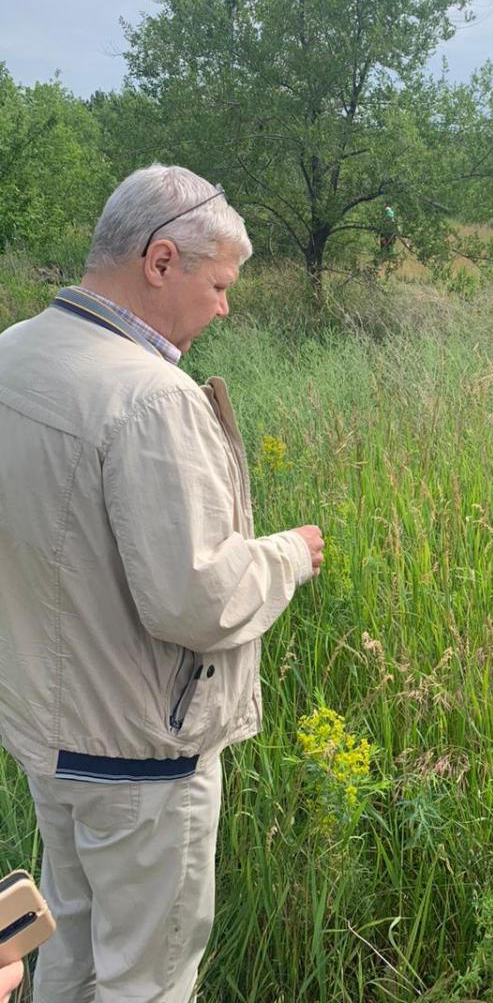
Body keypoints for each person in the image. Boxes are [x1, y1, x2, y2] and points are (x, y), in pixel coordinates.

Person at [0, 165, 325, 1003]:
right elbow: (196, 600)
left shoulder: (13, 352)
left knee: (64, 949)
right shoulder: (151, 400)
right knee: (147, 978)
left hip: (47, 731)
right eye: (218, 284)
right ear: (160, 260)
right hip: (140, 755)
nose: (225, 306)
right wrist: (289, 553)